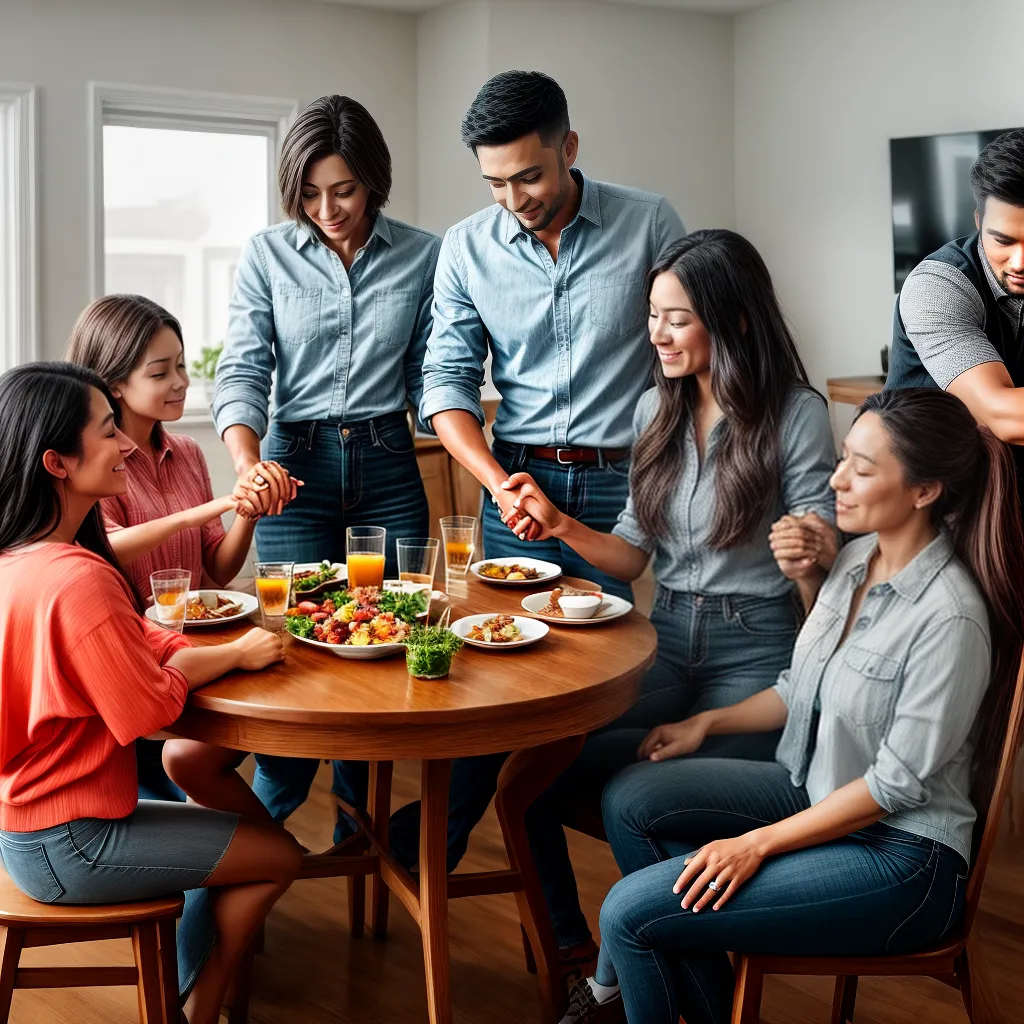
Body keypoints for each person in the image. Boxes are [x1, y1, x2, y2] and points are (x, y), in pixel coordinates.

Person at [560, 387, 1024, 1024]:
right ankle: (702, 986)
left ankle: (654, 958)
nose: (837, 480)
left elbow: (895, 786)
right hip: (815, 789)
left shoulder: (950, 616)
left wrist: (755, 845)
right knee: (633, 794)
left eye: (862, 470)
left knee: (630, 912)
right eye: (844, 459)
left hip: (902, 859)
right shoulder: (859, 557)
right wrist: (705, 723)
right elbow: (800, 686)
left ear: (924, 491)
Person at [503, 230, 838, 975]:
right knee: (534, 769)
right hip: (664, 636)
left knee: (642, 791)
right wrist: (560, 525)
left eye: (677, 317)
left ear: (736, 319)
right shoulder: (654, 407)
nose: (657, 333)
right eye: (653, 314)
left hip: (759, 648)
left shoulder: (796, 413)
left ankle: (628, 977)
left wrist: (813, 549)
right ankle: (577, 951)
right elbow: (631, 551)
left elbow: (826, 554)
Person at [0, 362, 303, 1024]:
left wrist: (190, 650)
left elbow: (137, 637)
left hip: (26, 826)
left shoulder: (23, 557)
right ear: (57, 460)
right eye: (109, 432)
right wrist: (232, 653)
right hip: (74, 842)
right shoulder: (78, 579)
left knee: (242, 835)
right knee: (278, 855)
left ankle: (191, 990)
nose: (129, 445)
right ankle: (196, 1010)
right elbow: (147, 710)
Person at [212, 94, 441, 852]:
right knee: (300, 656)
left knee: (384, 646)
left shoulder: (424, 254)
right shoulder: (267, 255)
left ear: (373, 179)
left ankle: (356, 843)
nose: (327, 209)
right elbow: (244, 370)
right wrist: (250, 464)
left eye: (342, 190)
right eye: (309, 194)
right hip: (295, 471)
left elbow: (431, 371)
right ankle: (241, 857)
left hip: (387, 463)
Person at [419, 70, 686, 604]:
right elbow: (446, 382)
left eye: (529, 177)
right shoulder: (465, 248)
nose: (515, 199)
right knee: (511, 652)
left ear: (569, 147)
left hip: (622, 480)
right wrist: (498, 487)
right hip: (516, 485)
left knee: (608, 657)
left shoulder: (648, 223)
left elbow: (693, 352)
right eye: (496, 183)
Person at [66, 293, 297, 802]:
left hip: (203, 649)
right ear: (114, 385)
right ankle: (262, 854)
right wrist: (208, 509)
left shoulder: (188, 451)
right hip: (142, 669)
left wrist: (246, 513)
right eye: (160, 372)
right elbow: (103, 549)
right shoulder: (95, 462)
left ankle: (266, 849)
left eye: (182, 365)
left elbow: (215, 572)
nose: (181, 382)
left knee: (294, 711)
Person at [888, 129, 1024, 484]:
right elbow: (1005, 416)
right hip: (928, 496)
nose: (1020, 261)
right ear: (979, 223)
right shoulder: (936, 287)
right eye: (1003, 240)